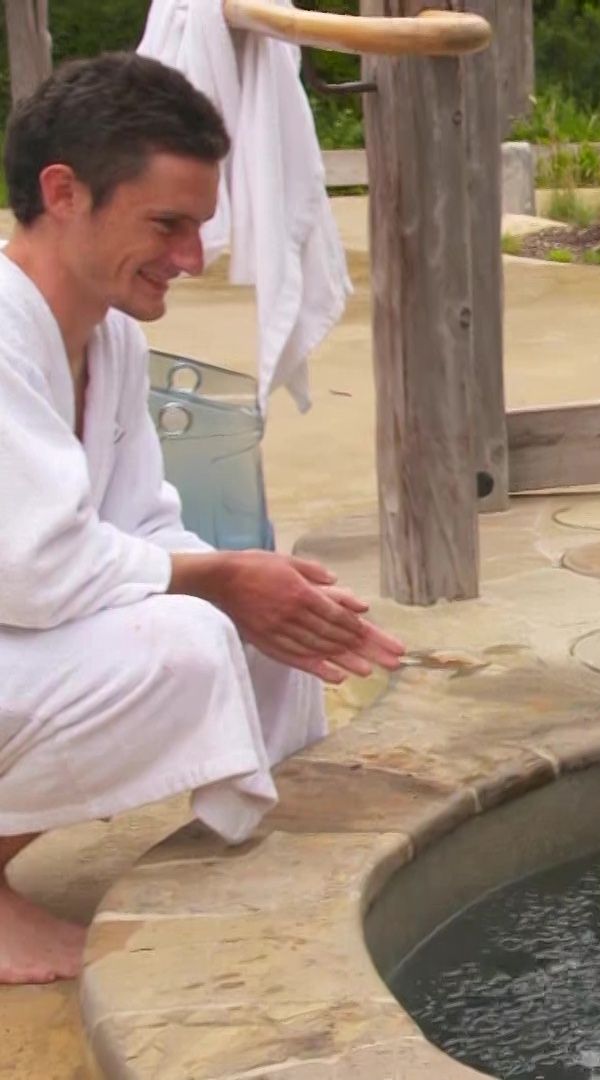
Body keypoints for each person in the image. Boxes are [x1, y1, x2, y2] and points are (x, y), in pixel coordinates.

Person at [0, 54, 405, 986]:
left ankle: (265, 852)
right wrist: (217, 580)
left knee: (269, 628)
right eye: (166, 225)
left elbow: (144, 524)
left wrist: (256, 590)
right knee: (189, 641)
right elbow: (29, 567)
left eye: (199, 227)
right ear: (64, 193)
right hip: (19, 607)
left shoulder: (109, 339)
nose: (191, 258)